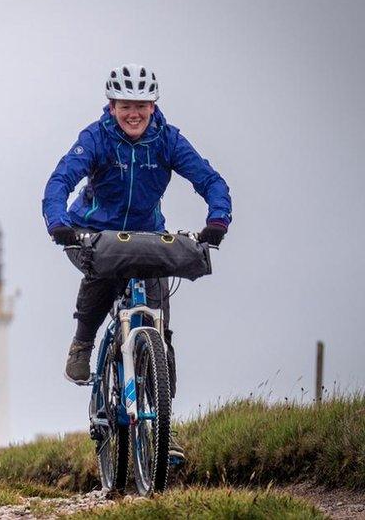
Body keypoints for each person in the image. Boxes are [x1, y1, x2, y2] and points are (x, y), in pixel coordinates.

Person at [41, 63, 232, 461]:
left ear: (153, 107)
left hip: (147, 237)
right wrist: (58, 223)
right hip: (91, 231)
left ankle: (164, 423)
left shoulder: (167, 140)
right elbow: (60, 181)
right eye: (127, 105)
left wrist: (217, 220)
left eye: (142, 106)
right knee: (104, 273)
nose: (135, 113)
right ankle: (83, 343)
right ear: (111, 106)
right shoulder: (96, 138)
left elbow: (211, 181)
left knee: (160, 330)